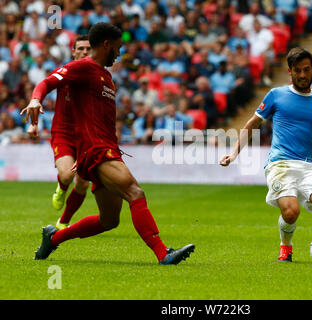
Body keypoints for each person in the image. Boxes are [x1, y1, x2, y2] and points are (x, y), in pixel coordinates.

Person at [22, 23, 195, 265]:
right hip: (97, 151)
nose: (119, 52)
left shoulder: (106, 75)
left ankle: (54, 238)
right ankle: (162, 253)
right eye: (117, 47)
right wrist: (35, 100)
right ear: (106, 45)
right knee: (135, 192)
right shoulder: (83, 67)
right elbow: (48, 82)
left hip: (105, 149)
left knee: (110, 220)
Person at [220, 47, 312, 264]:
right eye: (297, 70)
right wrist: (234, 154)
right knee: (291, 213)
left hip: (307, 166)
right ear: (290, 71)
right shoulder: (276, 95)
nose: (302, 75)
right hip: (280, 164)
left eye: (306, 70)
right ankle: (286, 247)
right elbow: (252, 124)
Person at [48, 35, 91, 231]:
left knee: (82, 183)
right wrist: (35, 102)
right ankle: (61, 188)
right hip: (63, 132)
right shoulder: (63, 73)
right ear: (73, 52)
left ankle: (64, 221)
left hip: (86, 136)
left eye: (88, 49)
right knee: (66, 175)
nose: (84, 52)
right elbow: (46, 84)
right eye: (80, 48)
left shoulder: (97, 77)